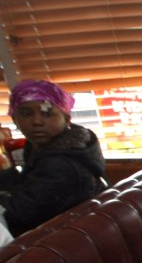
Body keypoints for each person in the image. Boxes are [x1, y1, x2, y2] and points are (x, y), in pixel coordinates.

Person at [0, 80, 107, 237]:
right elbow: (26, 189)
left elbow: (17, 214)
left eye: (47, 114)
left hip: (71, 241)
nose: (37, 122)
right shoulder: (39, 146)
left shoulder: (61, 164)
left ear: (66, 118)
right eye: (26, 114)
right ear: (15, 119)